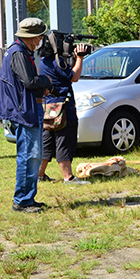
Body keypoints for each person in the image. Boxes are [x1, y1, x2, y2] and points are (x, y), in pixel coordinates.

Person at [0, 18, 53, 213]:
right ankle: (22, 200)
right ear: (33, 37)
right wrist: (46, 81)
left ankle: (28, 198)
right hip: (24, 112)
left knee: (33, 156)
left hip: (27, 108)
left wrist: (41, 88)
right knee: (29, 156)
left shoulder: (21, 51)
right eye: (40, 37)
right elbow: (29, 82)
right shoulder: (18, 53)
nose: (41, 41)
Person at [37, 38, 90, 185]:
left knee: (46, 142)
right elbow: (74, 76)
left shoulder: (44, 60)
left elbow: (66, 74)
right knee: (64, 140)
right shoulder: (57, 61)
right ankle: (68, 177)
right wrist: (79, 58)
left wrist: (73, 60)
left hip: (48, 108)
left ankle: (39, 175)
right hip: (63, 109)